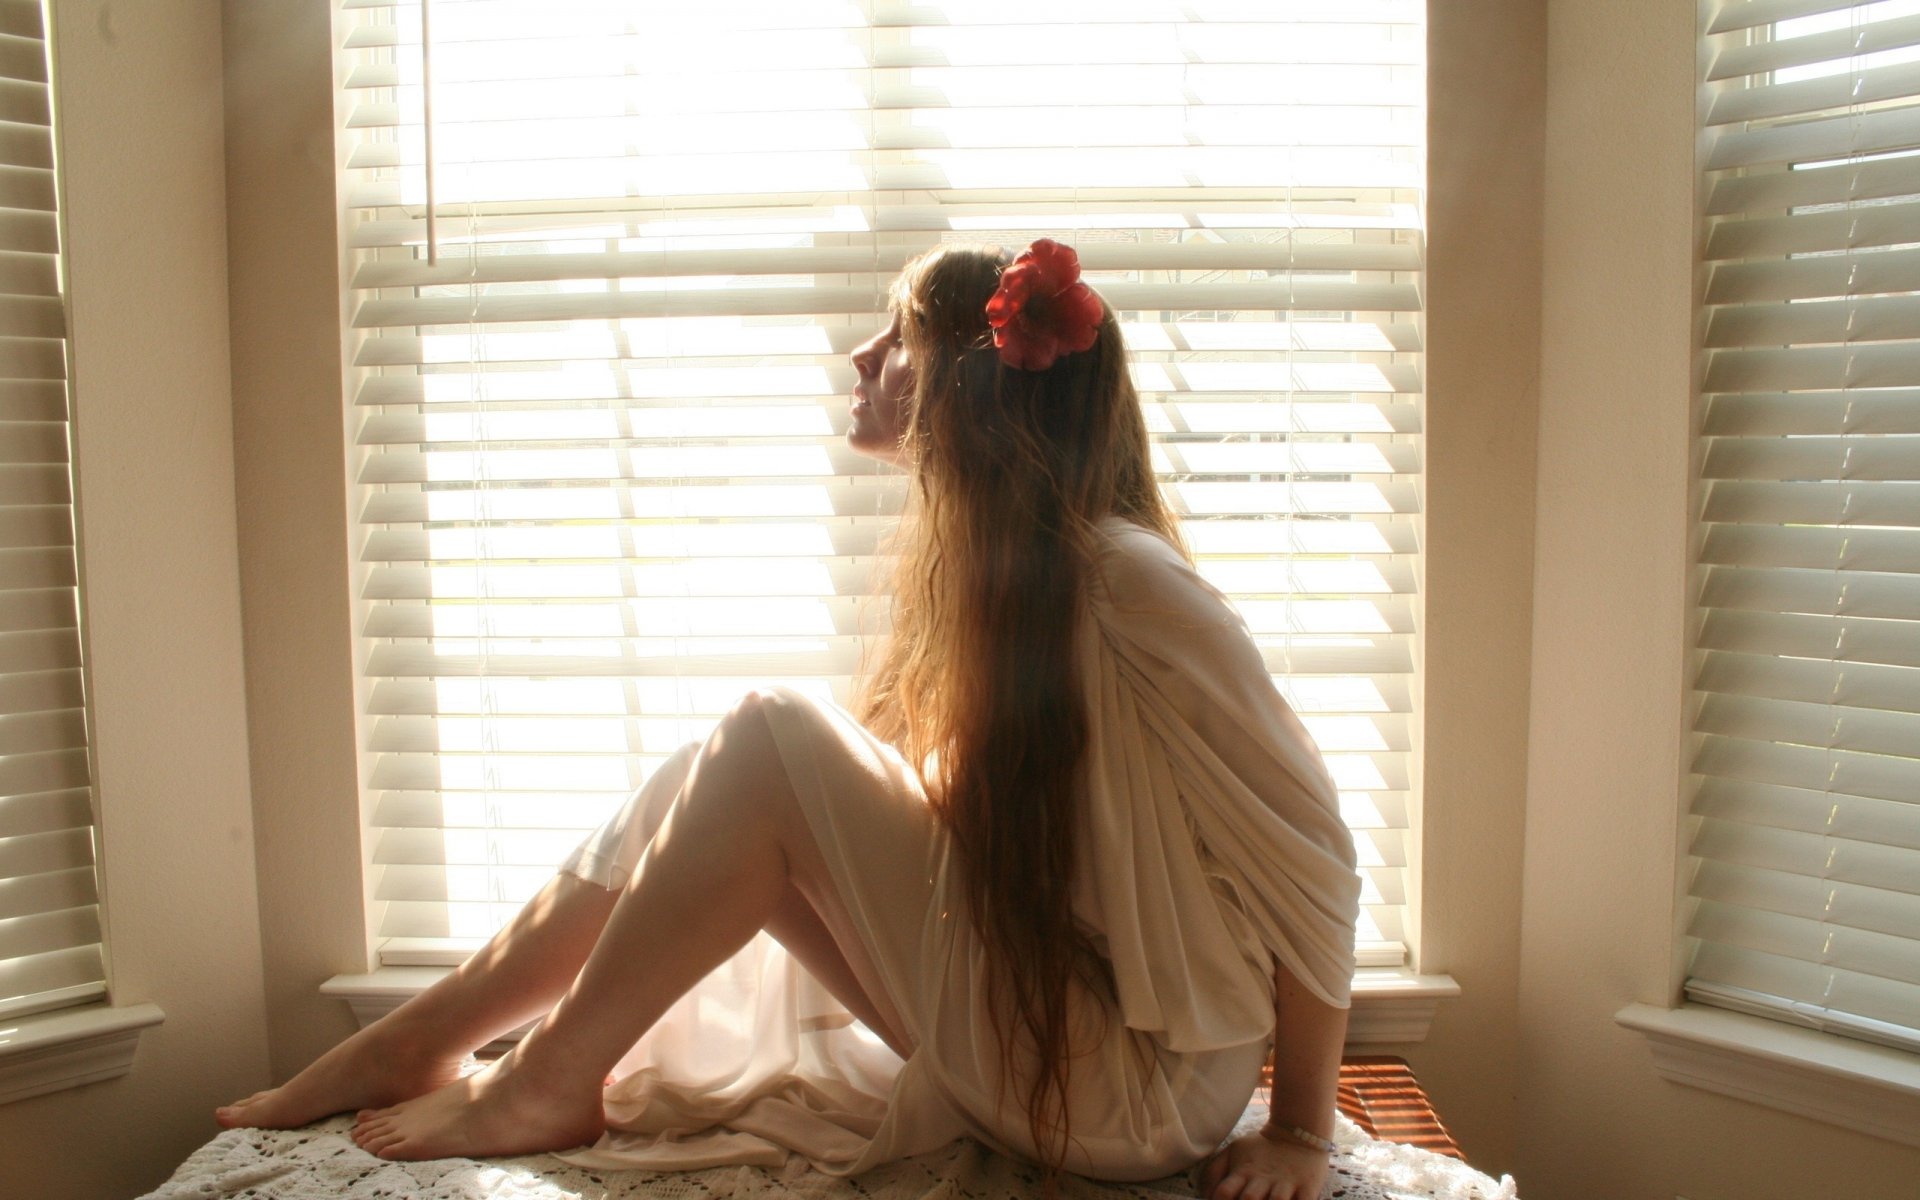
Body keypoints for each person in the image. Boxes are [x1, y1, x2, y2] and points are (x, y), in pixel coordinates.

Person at [216, 240, 1362, 1200]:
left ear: (968, 381)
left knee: (768, 732)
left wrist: (1301, 1132)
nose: (860, 358)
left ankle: (543, 1081)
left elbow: (1318, 856)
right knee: (721, 763)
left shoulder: (1126, 581)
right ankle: (425, 1038)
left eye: (894, 338)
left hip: (1134, 1089)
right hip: (1048, 1027)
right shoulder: (995, 582)